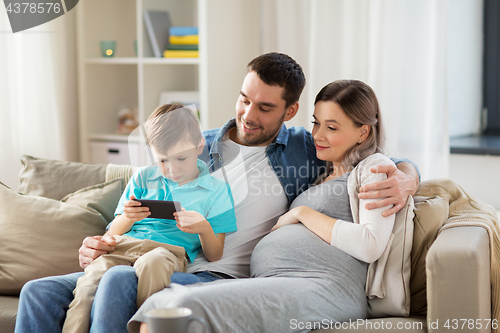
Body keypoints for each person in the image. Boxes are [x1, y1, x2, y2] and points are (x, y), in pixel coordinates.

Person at [15, 53, 420, 333]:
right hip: (149, 253)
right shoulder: (193, 144)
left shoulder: (305, 149)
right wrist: (99, 243)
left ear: (290, 111)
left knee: (120, 282)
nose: (248, 114)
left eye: (265, 107)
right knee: (39, 291)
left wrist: (407, 177)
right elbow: (135, 202)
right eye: (245, 99)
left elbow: (371, 154)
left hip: (212, 275)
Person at [132, 79, 402, 333]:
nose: (317, 135)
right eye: (316, 123)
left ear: (363, 132)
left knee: (177, 306)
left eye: (331, 128)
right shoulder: (318, 168)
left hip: (321, 287)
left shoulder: (373, 168)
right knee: (163, 303)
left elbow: (370, 243)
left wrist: (301, 213)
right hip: (272, 280)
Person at [60, 104, 237, 333]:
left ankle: (147, 327)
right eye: (162, 161)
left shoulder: (217, 189)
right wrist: (127, 217)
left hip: (167, 252)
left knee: (152, 263)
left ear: (199, 145)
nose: (172, 169)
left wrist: (203, 228)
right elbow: (112, 233)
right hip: (124, 247)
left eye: (181, 158)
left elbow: (215, 254)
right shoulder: (143, 177)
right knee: (90, 281)